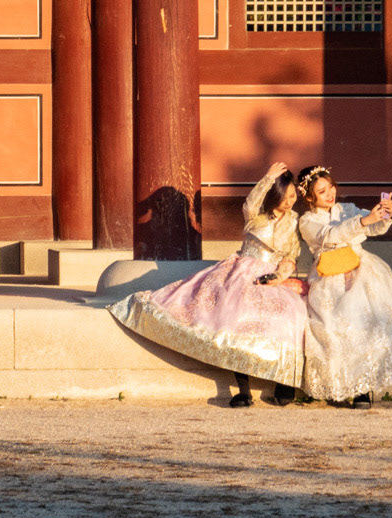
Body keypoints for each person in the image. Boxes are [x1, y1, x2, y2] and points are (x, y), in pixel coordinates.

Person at [107, 162, 308, 407]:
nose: (290, 201)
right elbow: (249, 203)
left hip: (274, 276)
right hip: (242, 271)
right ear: (272, 194)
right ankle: (243, 390)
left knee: (292, 314)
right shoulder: (256, 214)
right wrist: (267, 178)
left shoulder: (295, 221)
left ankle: (283, 383)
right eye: (284, 196)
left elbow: (291, 255)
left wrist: (279, 276)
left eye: (293, 195)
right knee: (232, 316)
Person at [296, 166, 392, 408]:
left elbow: (374, 227)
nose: (329, 194)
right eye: (321, 191)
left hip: (360, 268)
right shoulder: (307, 220)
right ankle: (339, 385)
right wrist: (364, 221)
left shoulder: (347, 209)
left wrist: (386, 214)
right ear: (308, 197)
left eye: (331, 187)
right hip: (330, 275)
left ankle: (363, 388)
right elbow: (330, 235)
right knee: (339, 324)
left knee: (370, 318)